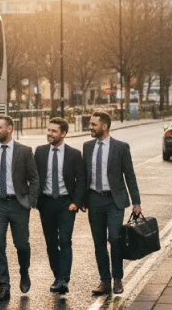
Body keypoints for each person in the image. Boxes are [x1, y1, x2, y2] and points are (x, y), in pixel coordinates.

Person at [0, 115, 39, 303]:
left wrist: (30, 201)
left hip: (18, 205)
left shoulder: (24, 151)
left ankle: (24, 271)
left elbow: (34, 178)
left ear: (10, 129)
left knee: (22, 244)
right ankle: (4, 286)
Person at [81, 111, 141, 296]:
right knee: (99, 242)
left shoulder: (121, 147)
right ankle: (105, 281)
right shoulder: (88, 146)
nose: (90, 127)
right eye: (90, 124)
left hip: (114, 200)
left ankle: (117, 278)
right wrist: (82, 199)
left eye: (93, 124)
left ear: (104, 126)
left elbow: (129, 175)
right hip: (94, 199)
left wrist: (136, 202)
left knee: (115, 239)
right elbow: (84, 175)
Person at [35, 117, 86, 295]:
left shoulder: (74, 154)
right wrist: (35, 200)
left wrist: (76, 202)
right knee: (50, 242)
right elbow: (34, 178)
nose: (49, 134)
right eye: (48, 130)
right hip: (46, 203)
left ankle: (64, 279)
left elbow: (80, 180)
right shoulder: (40, 152)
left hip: (66, 204)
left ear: (63, 134)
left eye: (54, 131)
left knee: (64, 241)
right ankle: (58, 275)